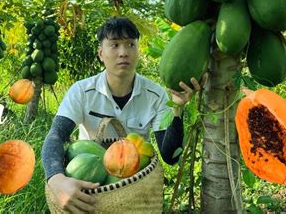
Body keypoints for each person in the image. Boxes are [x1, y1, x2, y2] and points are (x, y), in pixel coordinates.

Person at [41, 16, 206, 213]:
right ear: (101, 53)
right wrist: (56, 179)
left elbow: (169, 156)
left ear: (137, 51)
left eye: (130, 44)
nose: (123, 53)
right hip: (91, 182)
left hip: (134, 188)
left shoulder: (155, 95)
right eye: (115, 45)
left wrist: (177, 109)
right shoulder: (81, 91)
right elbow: (56, 135)